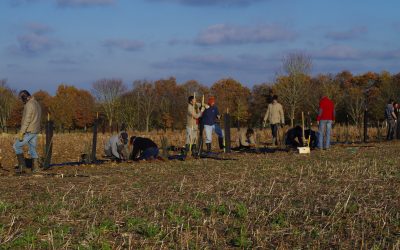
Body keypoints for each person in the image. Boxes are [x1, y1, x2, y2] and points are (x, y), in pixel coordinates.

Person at [13, 90, 42, 174]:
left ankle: (22, 167)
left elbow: (27, 120)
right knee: (32, 148)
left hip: (29, 130)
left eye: (22, 99)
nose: (22, 101)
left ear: (24, 97)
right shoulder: (36, 103)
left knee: (16, 146)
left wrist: (21, 132)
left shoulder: (29, 105)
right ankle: (35, 168)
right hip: (36, 130)